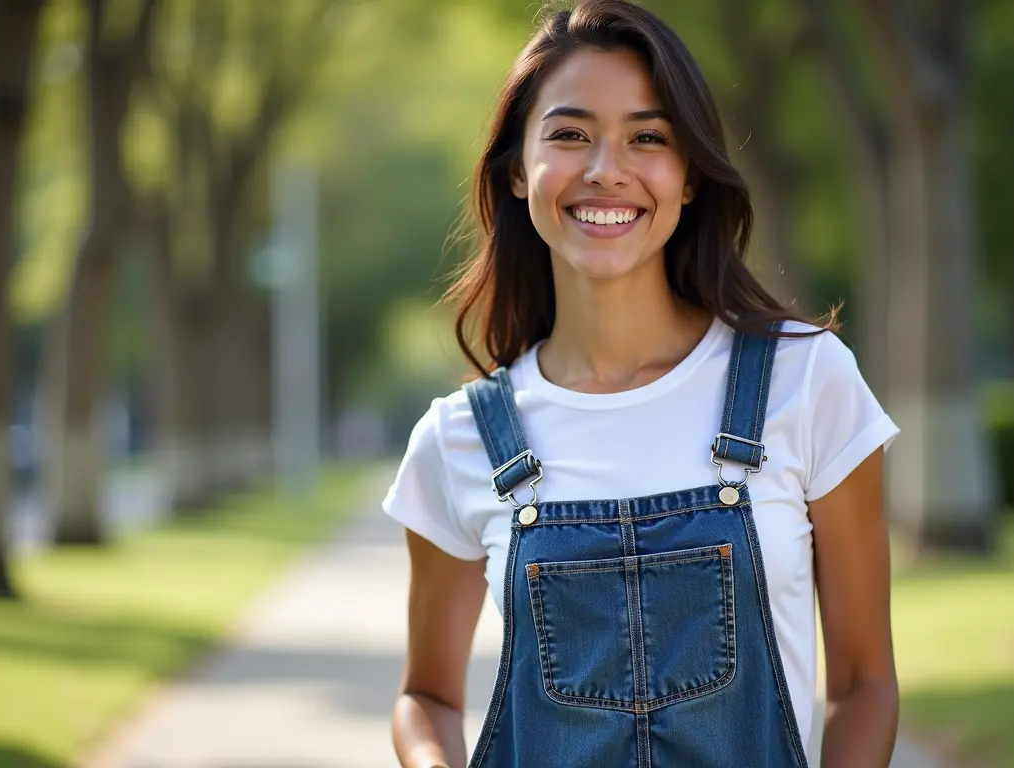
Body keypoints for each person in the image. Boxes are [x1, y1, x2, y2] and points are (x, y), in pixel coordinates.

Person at [383, 1, 900, 765]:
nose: (606, 169)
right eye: (570, 134)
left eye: (648, 137)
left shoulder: (806, 380)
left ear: (690, 175)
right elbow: (425, 698)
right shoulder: (459, 438)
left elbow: (862, 682)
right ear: (519, 172)